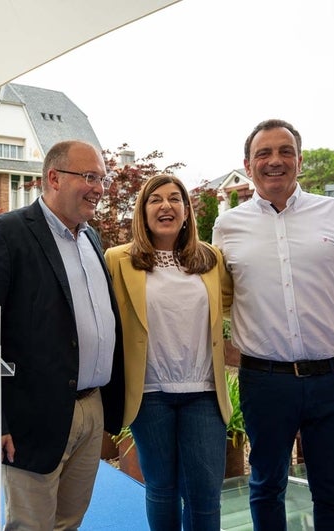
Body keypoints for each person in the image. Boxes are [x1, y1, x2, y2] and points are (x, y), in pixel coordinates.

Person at [212, 119, 334, 530]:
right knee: (266, 485)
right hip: (264, 382)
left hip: (332, 379)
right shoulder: (226, 227)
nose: (274, 161)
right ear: (248, 163)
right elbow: (215, 300)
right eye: (263, 153)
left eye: (284, 151)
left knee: (332, 491)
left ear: (299, 160)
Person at [0, 140, 125, 531]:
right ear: (53, 177)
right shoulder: (3, 234)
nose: (99, 188)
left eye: (101, 178)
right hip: (31, 416)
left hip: (89, 407)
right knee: (30, 526)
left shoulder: (91, 239)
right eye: (88, 177)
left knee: (69, 522)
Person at [104, 174, 233, 530]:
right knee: (162, 488)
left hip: (205, 394)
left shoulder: (211, 259)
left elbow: (232, 305)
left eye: (175, 199)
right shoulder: (118, 260)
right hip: (150, 394)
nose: (166, 206)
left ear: (187, 211)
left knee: (205, 496)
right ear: (142, 212)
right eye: (155, 199)